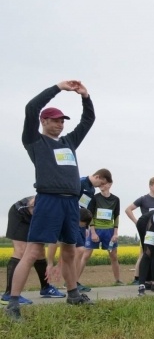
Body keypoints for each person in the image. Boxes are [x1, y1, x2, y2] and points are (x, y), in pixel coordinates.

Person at [6, 81, 95, 321]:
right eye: (55, 119)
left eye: (62, 120)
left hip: (70, 203)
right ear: (44, 122)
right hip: (48, 200)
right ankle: (13, 303)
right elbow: (31, 108)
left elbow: (88, 121)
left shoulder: (69, 142)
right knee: (34, 251)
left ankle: (73, 294)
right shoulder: (35, 141)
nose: (60, 123)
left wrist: (85, 97)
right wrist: (58, 87)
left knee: (68, 251)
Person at [2, 196, 67, 305]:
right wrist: (50, 264)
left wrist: (52, 263)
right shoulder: (54, 207)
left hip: (37, 216)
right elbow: (33, 203)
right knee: (21, 251)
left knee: (40, 252)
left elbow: (56, 240)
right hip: (22, 213)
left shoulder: (62, 215)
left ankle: (45, 287)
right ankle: (9, 293)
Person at [125, 177, 154, 284]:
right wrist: (136, 222)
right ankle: (137, 277)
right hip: (146, 229)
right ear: (150, 186)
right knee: (145, 253)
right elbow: (128, 209)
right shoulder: (143, 199)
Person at [82, 181, 122, 284]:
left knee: (113, 256)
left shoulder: (116, 199)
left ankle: (118, 280)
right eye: (100, 184)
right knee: (85, 255)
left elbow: (116, 216)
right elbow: (89, 215)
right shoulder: (95, 198)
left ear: (110, 184)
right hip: (96, 229)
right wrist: (93, 232)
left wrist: (115, 233)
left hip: (109, 230)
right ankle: (74, 281)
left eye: (104, 184)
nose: (101, 186)